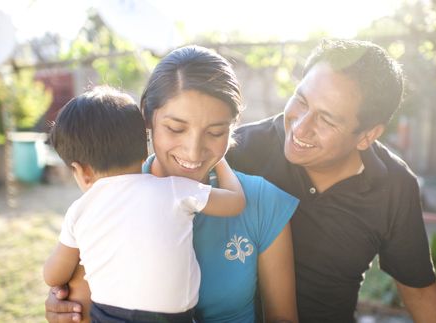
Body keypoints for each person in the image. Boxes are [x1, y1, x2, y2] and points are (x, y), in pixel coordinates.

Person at [44, 46, 299, 323]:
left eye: (215, 133)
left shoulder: (262, 201)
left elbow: (282, 317)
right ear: (146, 117)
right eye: (176, 129)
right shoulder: (111, 203)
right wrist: (62, 306)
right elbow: (78, 304)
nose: (193, 151)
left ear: (232, 128)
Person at [226, 39, 436, 322]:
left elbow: (420, 292)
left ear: (367, 136)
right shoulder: (240, 151)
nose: (300, 127)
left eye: (326, 120)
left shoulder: (393, 187)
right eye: (301, 101)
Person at [43, 85, 247, 322]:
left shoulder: (80, 210)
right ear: (145, 150)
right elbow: (236, 202)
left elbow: (53, 275)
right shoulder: (174, 188)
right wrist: (219, 161)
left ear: (81, 171)